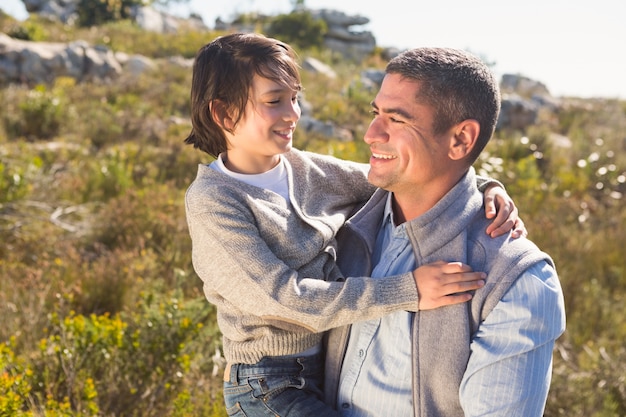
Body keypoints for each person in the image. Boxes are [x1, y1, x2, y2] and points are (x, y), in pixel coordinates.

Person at [184, 33, 524, 417]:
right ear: (224, 114)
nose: (293, 113)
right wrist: (407, 290)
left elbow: (409, 174)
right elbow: (284, 300)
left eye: (295, 97)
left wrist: (484, 188)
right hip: (267, 385)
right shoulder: (214, 200)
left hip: (327, 368)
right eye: (274, 101)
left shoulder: (307, 169)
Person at [323, 47, 566, 417]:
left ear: (461, 140)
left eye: (397, 120)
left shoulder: (516, 281)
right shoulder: (339, 221)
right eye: (375, 113)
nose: (371, 134)